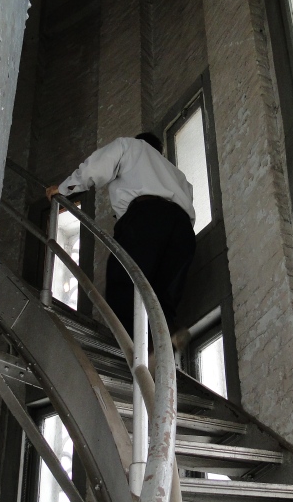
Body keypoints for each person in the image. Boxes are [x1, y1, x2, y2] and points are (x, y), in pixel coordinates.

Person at [46, 133, 196, 345]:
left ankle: (136, 346)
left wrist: (64, 190)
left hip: (146, 216)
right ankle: (164, 340)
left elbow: (97, 167)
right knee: (161, 295)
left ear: (141, 141)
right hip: (182, 229)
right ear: (160, 150)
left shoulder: (130, 146)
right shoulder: (178, 174)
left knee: (124, 279)